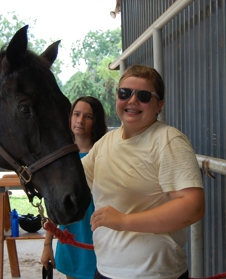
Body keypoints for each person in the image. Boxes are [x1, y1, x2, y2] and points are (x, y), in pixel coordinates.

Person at [81, 65, 205, 279]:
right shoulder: (105, 143)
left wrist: (123, 221)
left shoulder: (167, 140)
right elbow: (76, 183)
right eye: (125, 93)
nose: (132, 101)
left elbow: (192, 206)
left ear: (159, 105)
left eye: (144, 96)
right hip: (105, 270)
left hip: (154, 274)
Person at [41, 96, 108, 279]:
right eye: (76, 114)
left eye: (88, 116)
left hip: (99, 241)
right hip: (70, 240)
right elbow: (54, 206)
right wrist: (47, 245)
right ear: (69, 118)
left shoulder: (105, 155)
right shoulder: (59, 161)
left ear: (96, 122)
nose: (80, 120)